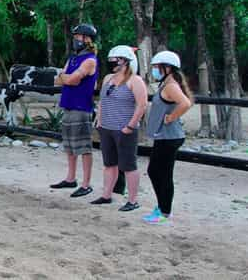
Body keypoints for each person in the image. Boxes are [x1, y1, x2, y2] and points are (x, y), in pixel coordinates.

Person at [90, 46, 147, 211]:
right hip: (106, 128)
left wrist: (130, 126)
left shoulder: (135, 81)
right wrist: (99, 120)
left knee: (128, 165)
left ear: (126, 61)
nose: (113, 63)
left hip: (124, 129)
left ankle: (132, 200)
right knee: (109, 164)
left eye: (117, 59)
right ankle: (106, 195)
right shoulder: (108, 78)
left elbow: (141, 105)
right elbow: (103, 101)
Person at [143, 51, 192, 225]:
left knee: (159, 173)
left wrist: (171, 118)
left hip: (169, 137)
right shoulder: (167, 83)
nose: (155, 70)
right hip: (165, 136)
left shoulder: (170, 86)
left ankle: (164, 212)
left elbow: (185, 103)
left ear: (167, 67)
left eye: (157, 67)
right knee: (159, 172)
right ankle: (163, 208)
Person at [50, 23, 99, 197]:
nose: (76, 39)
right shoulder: (73, 58)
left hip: (81, 106)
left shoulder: (90, 60)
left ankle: (86, 184)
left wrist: (66, 77)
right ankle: (71, 178)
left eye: (79, 36)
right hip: (69, 104)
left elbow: (71, 80)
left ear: (87, 39)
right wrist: (66, 77)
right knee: (70, 146)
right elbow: (60, 79)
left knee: (83, 147)